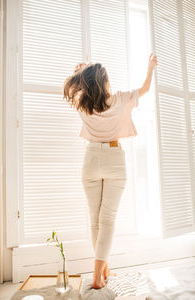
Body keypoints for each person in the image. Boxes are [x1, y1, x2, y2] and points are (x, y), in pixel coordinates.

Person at [63, 53, 158, 289]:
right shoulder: (120, 99)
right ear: (105, 82)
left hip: (91, 159)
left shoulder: (82, 104)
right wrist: (150, 68)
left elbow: (75, 89)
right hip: (115, 159)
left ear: (87, 83)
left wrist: (81, 73)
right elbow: (145, 89)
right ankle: (97, 278)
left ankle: (104, 272)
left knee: (95, 221)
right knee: (107, 220)